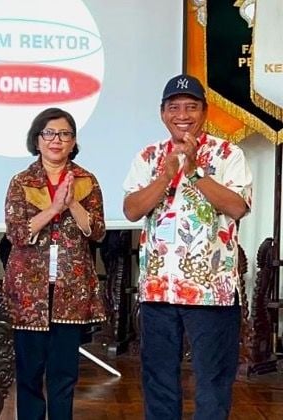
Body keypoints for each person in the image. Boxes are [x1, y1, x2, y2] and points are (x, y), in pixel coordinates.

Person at [122, 74, 253, 419]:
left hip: (211, 291)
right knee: (158, 380)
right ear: (162, 113)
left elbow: (237, 207)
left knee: (213, 381)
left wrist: (194, 172)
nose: (182, 115)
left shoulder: (228, 154)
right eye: (174, 107)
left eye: (191, 107)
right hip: (158, 290)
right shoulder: (149, 155)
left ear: (204, 112)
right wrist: (166, 176)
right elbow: (132, 210)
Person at [3, 107, 106, 419]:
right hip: (28, 292)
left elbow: (98, 232)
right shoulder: (21, 181)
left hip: (70, 290)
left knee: (64, 374)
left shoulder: (86, 181)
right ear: (37, 140)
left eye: (64, 134)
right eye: (49, 133)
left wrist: (71, 202)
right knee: (29, 373)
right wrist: (53, 208)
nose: (56, 140)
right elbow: (17, 234)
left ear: (73, 142)